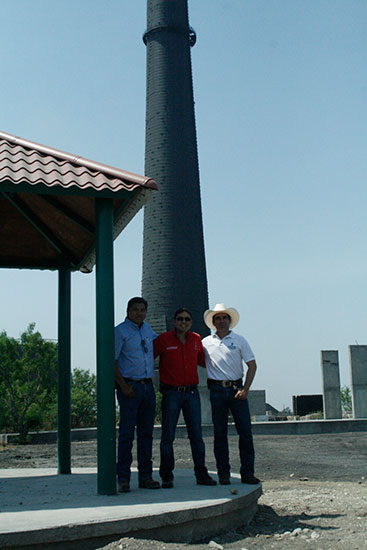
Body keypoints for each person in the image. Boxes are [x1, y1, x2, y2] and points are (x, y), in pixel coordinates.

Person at [154, 308, 216, 488]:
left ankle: (201, 474)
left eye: (187, 319)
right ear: (174, 321)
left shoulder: (197, 340)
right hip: (171, 393)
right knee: (168, 436)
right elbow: (147, 357)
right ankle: (166, 475)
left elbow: (205, 362)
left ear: (191, 322)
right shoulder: (163, 339)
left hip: (192, 393)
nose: (183, 322)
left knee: (196, 436)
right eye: (180, 319)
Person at [202, 303, 260, 485]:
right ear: (213, 322)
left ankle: (247, 473)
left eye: (224, 317)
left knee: (245, 432)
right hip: (216, 390)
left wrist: (246, 389)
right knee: (220, 434)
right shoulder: (205, 342)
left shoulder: (240, 340)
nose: (221, 321)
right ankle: (223, 474)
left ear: (229, 320)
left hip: (237, 390)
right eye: (217, 318)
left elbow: (252, 365)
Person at [115, 297, 160, 492]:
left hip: (147, 387)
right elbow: (112, 360)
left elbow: (159, 347)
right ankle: (123, 478)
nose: (139, 313)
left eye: (142, 310)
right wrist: (123, 385)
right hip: (130, 388)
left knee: (146, 434)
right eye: (135, 310)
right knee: (126, 434)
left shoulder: (147, 329)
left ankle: (146, 477)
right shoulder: (120, 331)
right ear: (127, 311)